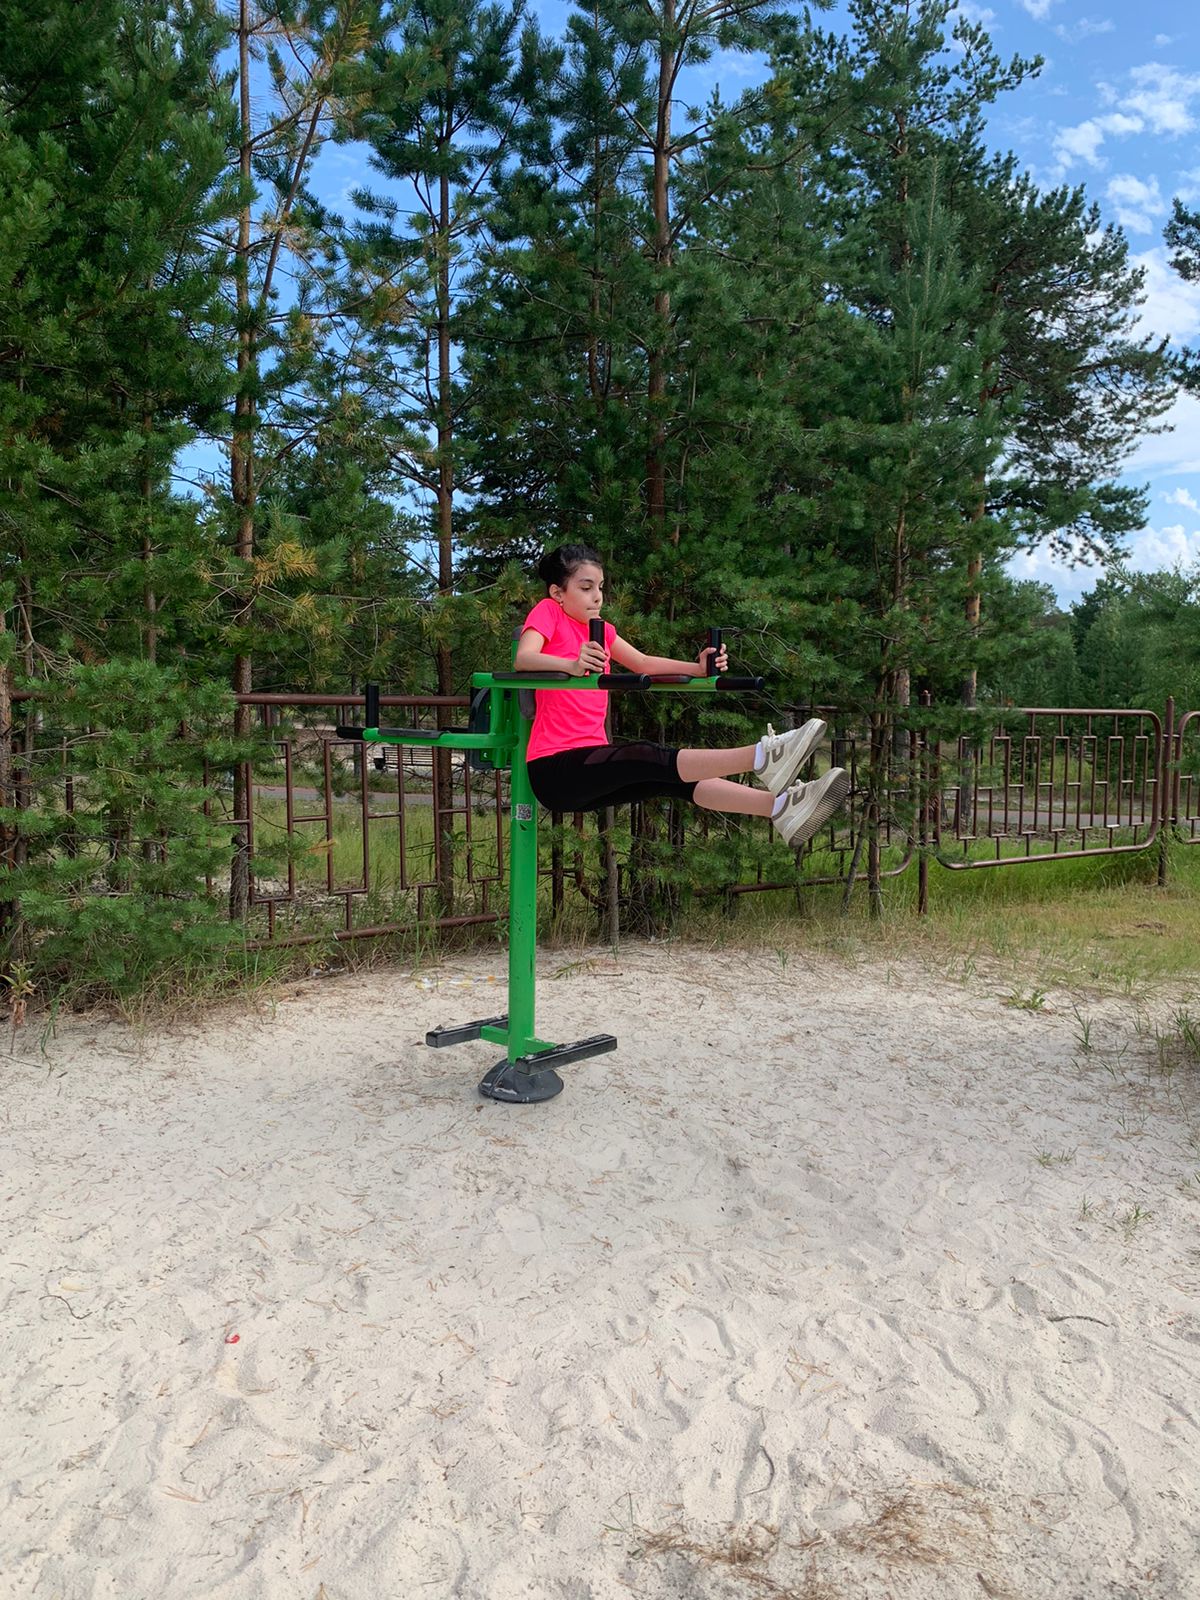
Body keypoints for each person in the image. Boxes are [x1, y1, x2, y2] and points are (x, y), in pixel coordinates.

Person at [515, 544, 849, 848]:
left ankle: (780, 809)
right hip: (555, 769)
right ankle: (763, 756)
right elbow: (524, 658)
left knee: (674, 780)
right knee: (647, 755)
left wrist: (698, 668)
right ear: (558, 593)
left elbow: (643, 663)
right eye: (586, 588)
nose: (597, 597)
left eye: (600, 588)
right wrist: (571, 665)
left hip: (590, 762)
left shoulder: (602, 630)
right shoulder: (549, 612)